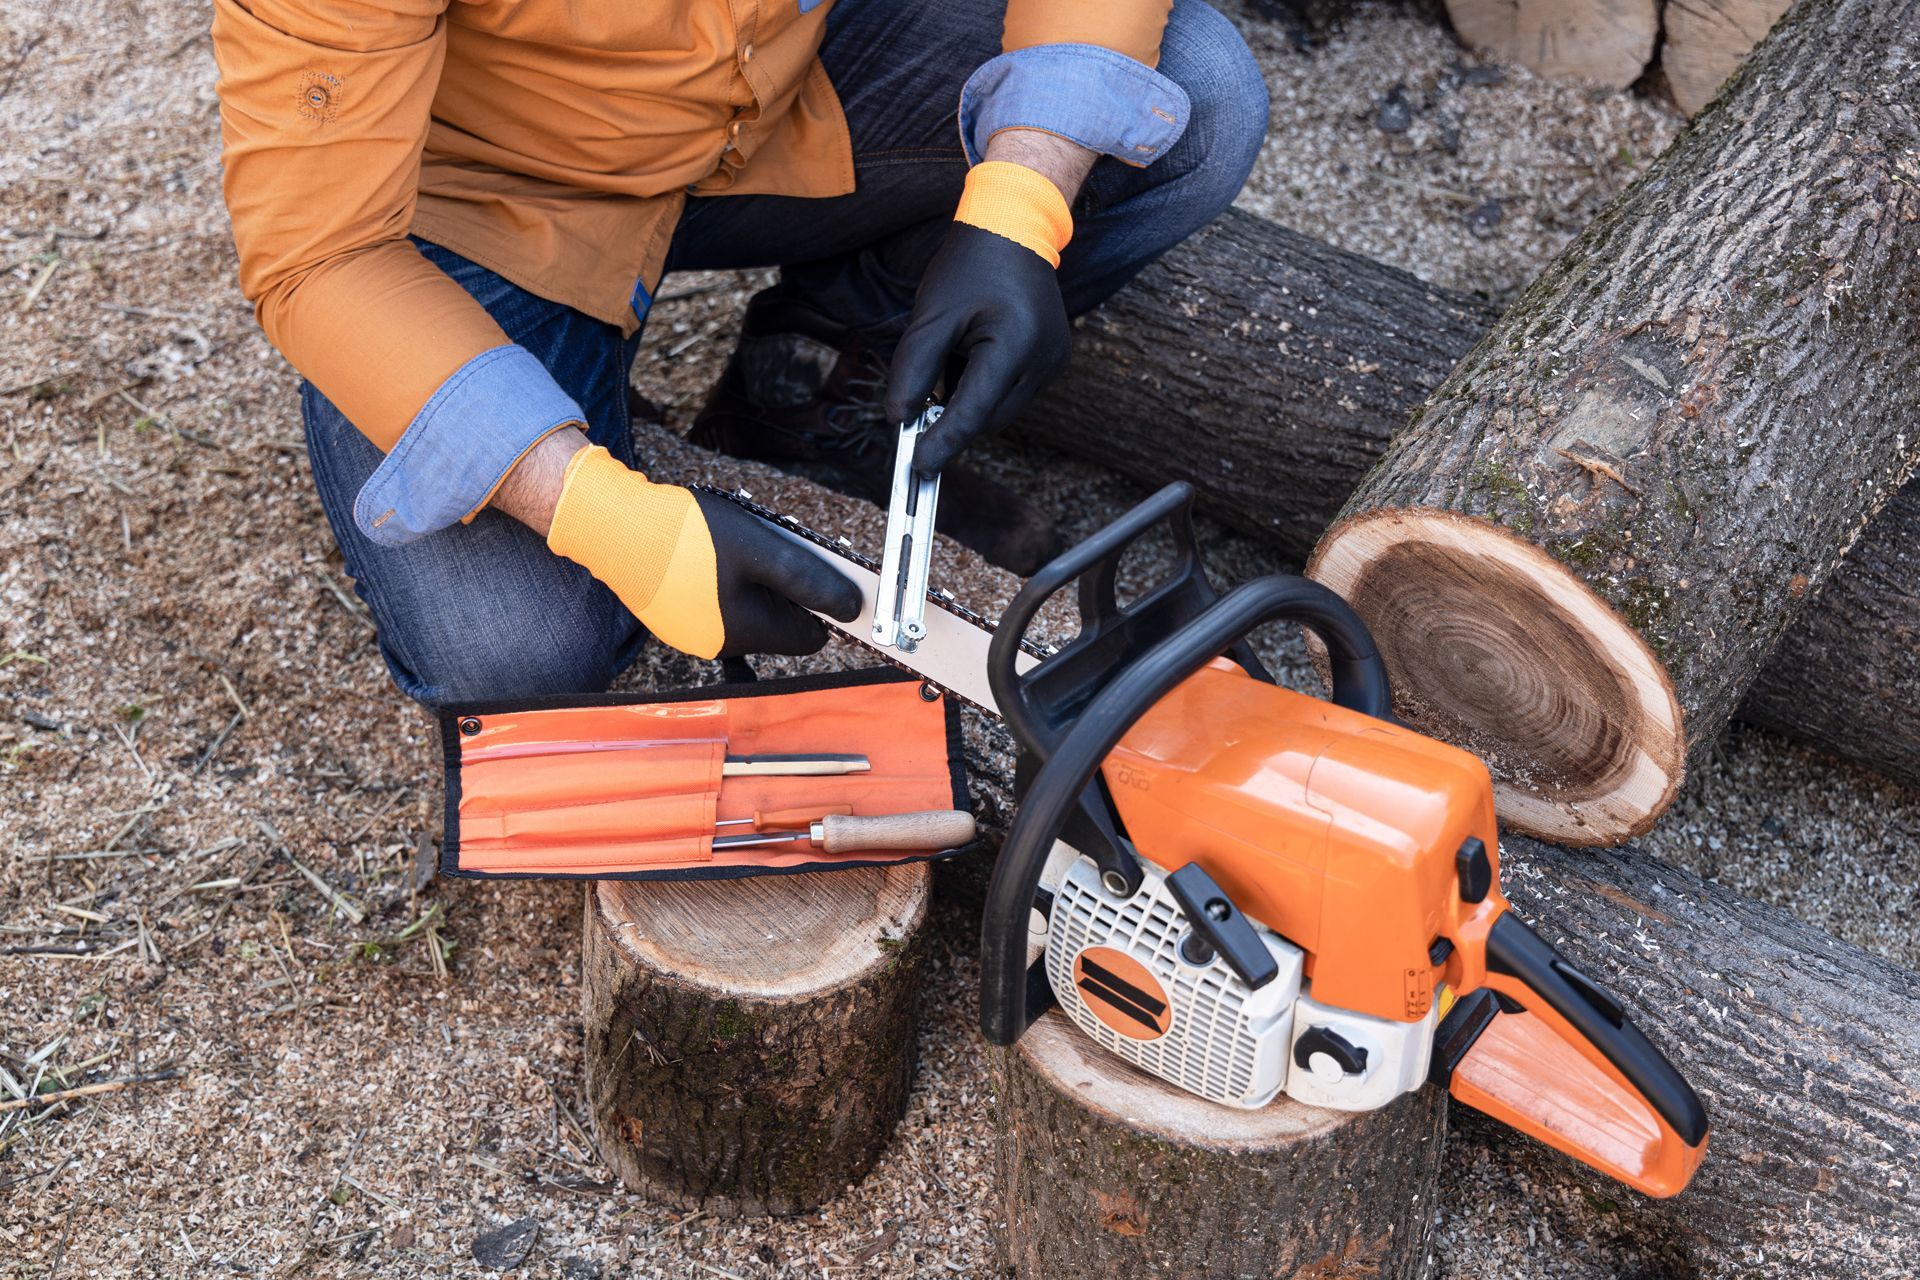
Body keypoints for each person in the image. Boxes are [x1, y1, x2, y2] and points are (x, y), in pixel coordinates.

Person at [213, 0, 1269, 708]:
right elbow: (324, 249)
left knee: (1198, 93)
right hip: (490, 197)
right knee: (511, 648)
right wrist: (606, 518)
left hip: (785, 86)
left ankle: (804, 389)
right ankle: (592, 455)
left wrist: (1020, 202)